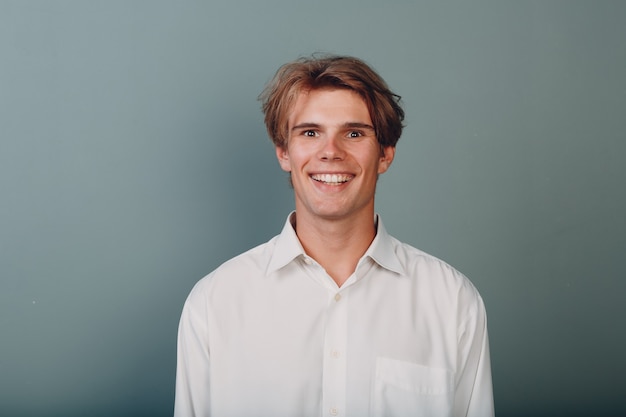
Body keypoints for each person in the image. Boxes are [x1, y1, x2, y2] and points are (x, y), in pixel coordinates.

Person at [174, 54, 494, 417]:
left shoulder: (452, 303)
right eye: (310, 133)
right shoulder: (214, 304)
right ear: (284, 152)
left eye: (354, 133)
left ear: (385, 154)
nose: (330, 152)